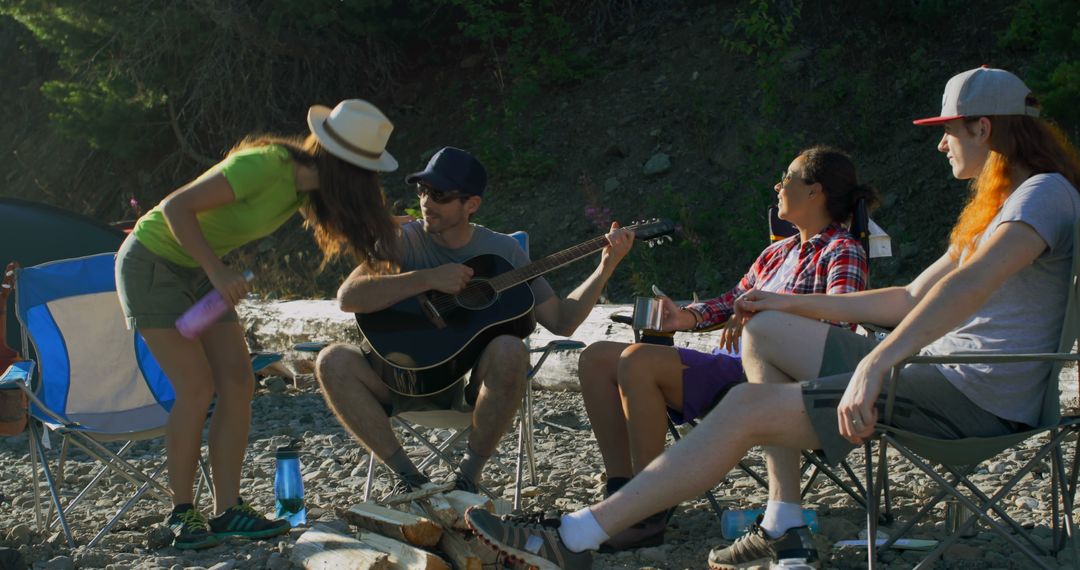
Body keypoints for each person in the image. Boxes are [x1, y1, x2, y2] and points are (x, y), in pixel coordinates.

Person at [464, 66, 1080, 570]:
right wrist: (783, 301)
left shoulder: (1042, 195)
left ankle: (573, 539)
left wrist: (876, 361)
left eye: (949, 130)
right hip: (947, 377)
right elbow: (908, 297)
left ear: (983, 126)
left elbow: (970, 288)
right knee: (760, 326)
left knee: (744, 409)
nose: (940, 143)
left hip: (972, 392)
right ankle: (784, 519)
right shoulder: (1001, 206)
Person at [116, 99, 401, 550]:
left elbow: (355, 226)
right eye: (365, 173)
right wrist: (217, 273)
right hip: (153, 265)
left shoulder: (304, 189)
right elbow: (175, 208)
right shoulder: (266, 166)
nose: (367, 184)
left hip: (197, 270)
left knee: (238, 382)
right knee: (195, 387)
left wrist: (398, 230)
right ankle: (181, 513)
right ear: (343, 164)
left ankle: (228, 510)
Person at [576, 146, 878, 550]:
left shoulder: (842, 250)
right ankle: (621, 492)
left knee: (638, 361)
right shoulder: (777, 252)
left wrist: (769, 313)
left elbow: (842, 324)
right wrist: (683, 318)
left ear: (814, 192)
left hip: (775, 377)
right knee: (595, 357)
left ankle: (646, 513)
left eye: (786, 178)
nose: (778, 185)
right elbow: (728, 300)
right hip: (730, 365)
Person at [315, 146, 635, 497]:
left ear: (472, 205)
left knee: (510, 348)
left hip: (468, 390)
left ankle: (467, 479)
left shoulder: (504, 253)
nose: (426, 202)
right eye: (422, 191)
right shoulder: (401, 240)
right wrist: (428, 279)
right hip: (396, 380)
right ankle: (410, 479)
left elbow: (562, 320)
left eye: (439, 194)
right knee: (332, 360)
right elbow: (349, 297)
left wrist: (606, 268)